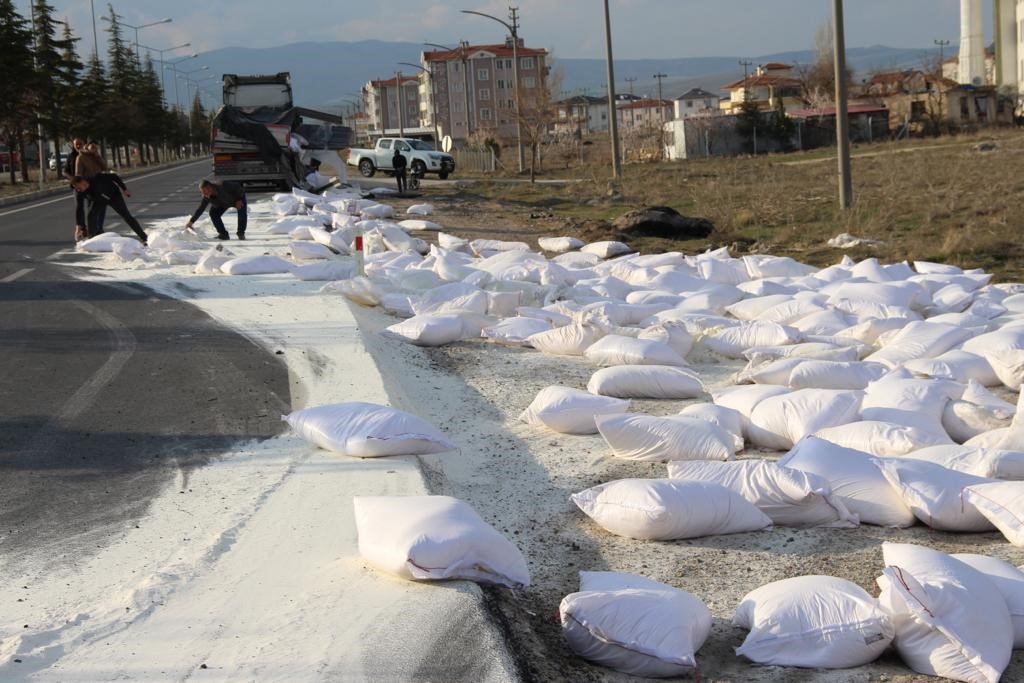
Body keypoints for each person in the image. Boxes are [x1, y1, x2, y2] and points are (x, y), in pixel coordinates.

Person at [71, 174, 148, 244]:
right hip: (98, 201)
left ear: (83, 182)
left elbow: (114, 176)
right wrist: (78, 227)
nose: (78, 190)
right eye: (76, 188)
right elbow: (79, 208)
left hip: (113, 196)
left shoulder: (97, 178)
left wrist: (124, 189)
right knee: (91, 216)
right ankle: (92, 240)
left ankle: (144, 237)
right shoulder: (79, 192)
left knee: (126, 216)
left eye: (78, 187)